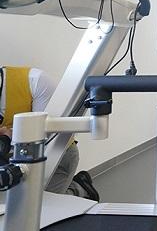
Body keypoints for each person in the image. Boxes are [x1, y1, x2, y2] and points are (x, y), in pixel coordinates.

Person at [0, 65, 99, 200]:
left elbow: (46, 136)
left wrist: (7, 136)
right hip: (10, 157)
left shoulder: (35, 81)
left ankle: (80, 188)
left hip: (55, 154)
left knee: (41, 205)